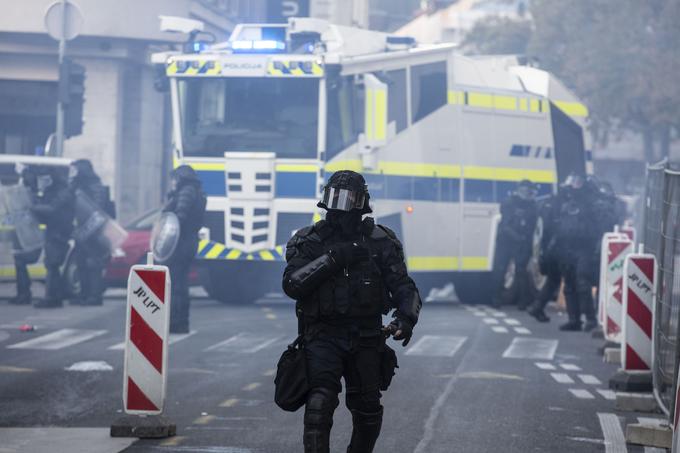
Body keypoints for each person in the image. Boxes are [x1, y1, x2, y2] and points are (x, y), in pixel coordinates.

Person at [282, 170, 422, 453]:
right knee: (319, 405)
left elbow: (405, 287)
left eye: (347, 199)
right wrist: (333, 259)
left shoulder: (380, 241)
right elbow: (292, 284)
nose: (340, 207)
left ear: (362, 203)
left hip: (366, 337)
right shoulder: (309, 240)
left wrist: (406, 319)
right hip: (322, 335)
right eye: (334, 197)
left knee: (368, 410)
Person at [162, 165, 206, 333]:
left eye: (174, 178)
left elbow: (178, 217)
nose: (172, 182)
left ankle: (176, 322)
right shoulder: (194, 191)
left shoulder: (186, 192)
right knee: (180, 283)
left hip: (181, 242)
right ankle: (180, 321)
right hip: (189, 241)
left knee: (176, 284)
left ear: (181, 178)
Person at [555, 173, 598, 331]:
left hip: (584, 246)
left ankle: (590, 319)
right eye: (573, 180)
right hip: (567, 246)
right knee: (569, 284)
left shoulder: (589, 198)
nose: (575, 183)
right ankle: (574, 319)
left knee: (582, 282)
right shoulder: (565, 198)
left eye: (578, 181)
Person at [69, 159, 113, 306]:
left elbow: (96, 209)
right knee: (81, 263)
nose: (73, 173)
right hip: (81, 230)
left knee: (93, 264)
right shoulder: (77, 185)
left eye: (75, 170)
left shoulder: (95, 186)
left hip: (93, 232)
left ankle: (94, 296)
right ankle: (84, 294)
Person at [30, 167, 75, 309]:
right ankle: (54, 296)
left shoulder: (62, 190)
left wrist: (34, 207)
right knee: (51, 264)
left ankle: (52, 297)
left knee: (52, 264)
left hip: (58, 230)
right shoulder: (59, 189)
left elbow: (53, 208)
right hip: (56, 229)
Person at [491, 179, 538, 309]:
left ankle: (521, 302)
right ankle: (496, 299)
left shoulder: (531, 205)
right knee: (501, 270)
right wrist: (519, 237)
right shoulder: (509, 203)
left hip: (520, 242)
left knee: (520, 272)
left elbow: (532, 224)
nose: (529, 193)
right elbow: (506, 224)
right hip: (507, 241)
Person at [9, 166, 41, 305]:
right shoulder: (30, 191)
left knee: (20, 261)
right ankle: (23, 293)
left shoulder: (30, 193)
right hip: (24, 230)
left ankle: (24, 293)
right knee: (19, 261)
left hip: (31, 232)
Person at [528, 192, 562, 323]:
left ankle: (537, 307)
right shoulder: (560, 208)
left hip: (549, 249)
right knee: (568, 282)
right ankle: (577, 318)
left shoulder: (546, 207)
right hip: (560, 250)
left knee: (553, 280)